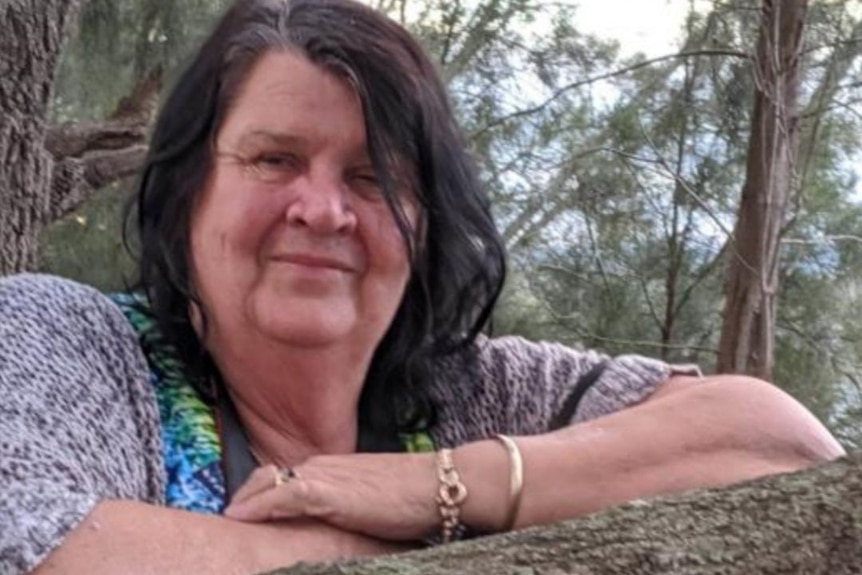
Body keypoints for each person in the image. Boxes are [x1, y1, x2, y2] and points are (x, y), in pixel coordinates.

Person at [0, 0, 845, 573]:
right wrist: (358, 545)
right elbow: (28, 538)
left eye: (373, 178)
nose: (323, 208)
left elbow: (781, 450)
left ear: (428, 223)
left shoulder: (480, 391)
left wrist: (429, 487)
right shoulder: (70, 344)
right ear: (189, 194)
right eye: (274, 159)